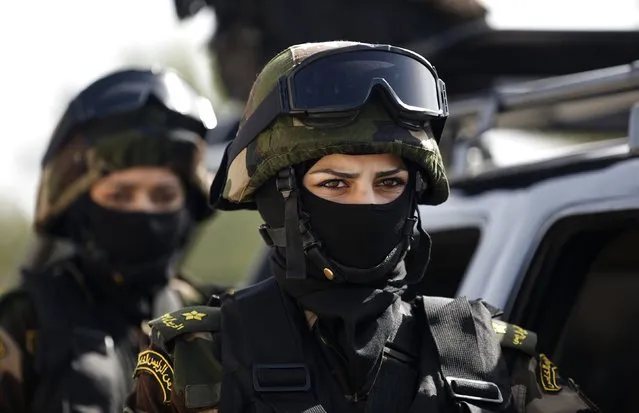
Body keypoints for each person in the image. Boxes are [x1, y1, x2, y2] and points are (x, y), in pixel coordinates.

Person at [126, 41, 600, 413]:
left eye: (389, 182)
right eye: (335, 183)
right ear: (277, 197)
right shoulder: (195, 358)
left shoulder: (492, 358)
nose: (368, 203)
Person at [0, 68, 226, 413]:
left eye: (163, 196)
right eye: (120, 195)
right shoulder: (24, 328)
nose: (144, 211)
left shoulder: (216, 321)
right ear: (79, 208)